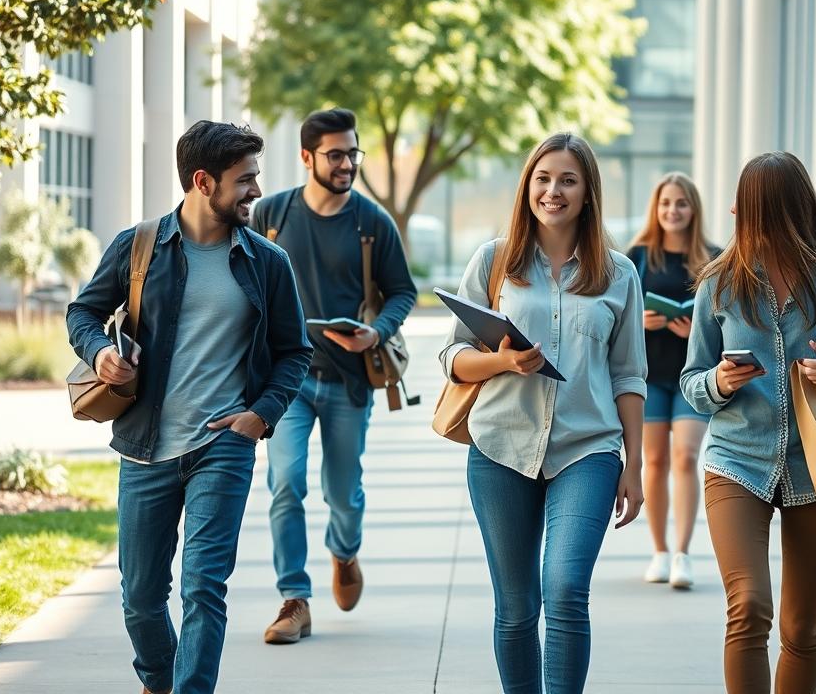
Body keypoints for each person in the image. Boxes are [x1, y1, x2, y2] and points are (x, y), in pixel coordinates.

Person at [67, 121, 313, 694]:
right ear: (203, 182)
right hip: (145, 444)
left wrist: (262, 415)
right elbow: (83, 313)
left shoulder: (267, 261)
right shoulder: (138, 246)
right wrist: (101, 351)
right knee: (141, 599)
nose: (256, 190)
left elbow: (294, 351)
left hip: (223, 444)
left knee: (204, 586)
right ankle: (160, 680)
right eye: (244, 180)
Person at [680, 151, 816, 694]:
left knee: (802, 628)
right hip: (737, 462)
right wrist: (718, 384)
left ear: (776, 211)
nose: (732, 214)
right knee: (749, 607)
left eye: (745, 207)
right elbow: (691, 381)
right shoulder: (719, 285)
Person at [439, 133, 647, 693]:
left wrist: (635, 464)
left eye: (568, 180)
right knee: (516, 607)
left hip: (589, 448)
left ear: (588, 193)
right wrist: (503, 361)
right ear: (528, 184)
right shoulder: (494, 259)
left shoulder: (619, 274)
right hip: (501, 446)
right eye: (543, 178)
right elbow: (453, 356)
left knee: (565, 589)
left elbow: (629, 375)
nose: (553, 191)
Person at [250, 108, 417, 644]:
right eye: (336, 154)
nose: (347, 163)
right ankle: (294, 599)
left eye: (352, 153)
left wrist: (376, 331)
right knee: (285, 485)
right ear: (307, 157)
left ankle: (344, 553)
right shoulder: (271, 215)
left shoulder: (372, 223)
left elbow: (403, 292)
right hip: (286, 381)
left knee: (344, 494)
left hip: (348, 380)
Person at [625, 172, 719, 588]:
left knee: (685, 456)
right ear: (655, 208)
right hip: (649, 375)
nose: (673, 211)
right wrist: (638, 322)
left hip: (692, 376)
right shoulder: (639, 257)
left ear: (693, 208)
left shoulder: (714, 258)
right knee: (655, 460)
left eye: (681, 203)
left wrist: (696, 327)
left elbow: (727, 319)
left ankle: (683, 553)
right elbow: (615, 314)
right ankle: (659, 552)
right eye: (666, 203)